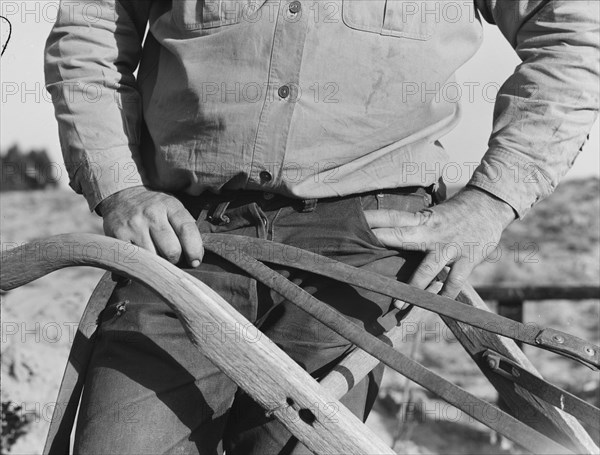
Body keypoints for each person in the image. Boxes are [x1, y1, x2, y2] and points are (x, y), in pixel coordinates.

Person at [44, 1, 599, 453]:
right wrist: (120, 187)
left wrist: (491, 199)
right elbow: (89, 30)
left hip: (363, 246)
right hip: (186, 240)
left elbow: (572, 31)